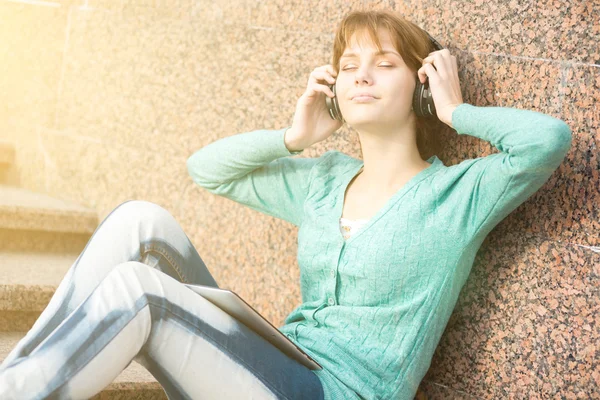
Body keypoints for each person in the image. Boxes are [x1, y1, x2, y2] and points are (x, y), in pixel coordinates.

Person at [0, 9, 571, 400]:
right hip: (274, 362)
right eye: (349, 66)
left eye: (384, 63)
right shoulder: (323, 182)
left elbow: (546, 142)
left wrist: (454, 111)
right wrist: (294, 138)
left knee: (140, 291)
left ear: (420, 85)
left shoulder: (458, 194)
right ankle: (17, 379)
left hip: (333, 392)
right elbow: (207, 170)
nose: (361, 76)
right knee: (139, 221)